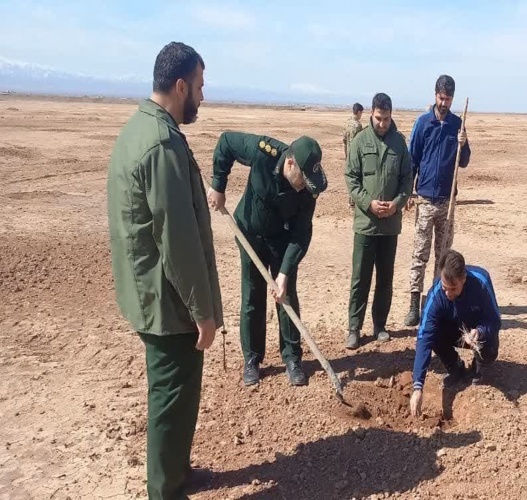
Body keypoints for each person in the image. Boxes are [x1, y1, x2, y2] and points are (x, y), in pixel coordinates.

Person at [107, 41, 222, 500]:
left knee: (175, 394)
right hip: (167, 300)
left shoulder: (142, 129)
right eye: (198, 85)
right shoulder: (160, 144)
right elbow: (178, 241)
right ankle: (165, 489)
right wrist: (203, 311)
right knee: (171, 400)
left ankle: (177, 472)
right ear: (180, 85)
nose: (202, 96)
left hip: (150, 291)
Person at [207, 133, 327, 387]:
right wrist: (218, 185)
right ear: (291, 163)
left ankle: (293, 358)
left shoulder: (308, 190)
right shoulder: (264, 152)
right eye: (302, 179)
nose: (304, 185)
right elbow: (226, 142)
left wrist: (283, 273)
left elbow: (301, 234)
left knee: (287, 297)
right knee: (252, 295)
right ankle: (252, 359)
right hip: (250, 233)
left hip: (283, 241)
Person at [344, 93, 413, 349]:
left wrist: (397, 203)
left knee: (385, 278)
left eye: (387, 119)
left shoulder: (400, 143)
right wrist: (368, 203)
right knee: (360, 277)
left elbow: (407, 178)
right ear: (372, 113)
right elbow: (351, 177)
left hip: (390, 225)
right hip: (366, 223)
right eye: (378, 118)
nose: (383, 123)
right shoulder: (360, 141)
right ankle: (354, 327)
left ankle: (379, 325)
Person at [403, 75, 471, 327]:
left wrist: (462, 145)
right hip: (424, 200)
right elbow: (412, 161)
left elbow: (463, 162)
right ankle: (413, 304)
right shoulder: (423, 123)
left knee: (442, 256)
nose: (444, 103)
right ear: (435, 95)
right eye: (441, 98)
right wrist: (409, 192)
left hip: (447, 203)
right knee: (420, 254)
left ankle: (432, 302)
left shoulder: (457, 124)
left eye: (448, 98)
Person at [409, 249, 500, 417]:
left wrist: (480, 331)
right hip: (453, 332)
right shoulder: (436, 294)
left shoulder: (481, 281)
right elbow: (424, 337)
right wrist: (418, 386)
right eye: (445, 288)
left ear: (463, 279)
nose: (448, 293)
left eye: (453, 288)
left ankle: (476, 369)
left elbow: (494, 320)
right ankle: (455, 367)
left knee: (489, 348)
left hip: (475, 334)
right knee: (433, 334)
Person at [343, 102, 364, 207]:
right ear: (359, 112)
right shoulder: (358, 125)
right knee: (357, 177)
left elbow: (344, 140)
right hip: (356, 154)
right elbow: (360, 141)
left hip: (348, 154)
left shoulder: (347, 123)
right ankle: (353, 200)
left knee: (350, 176)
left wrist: (346, 154)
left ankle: (350, 200)